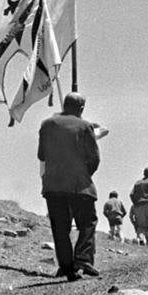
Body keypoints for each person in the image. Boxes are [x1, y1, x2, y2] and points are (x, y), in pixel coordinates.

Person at [38, 92, 101, 280]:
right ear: (81, 108)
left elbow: (42, 155)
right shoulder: (85, 126)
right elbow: (94, 158)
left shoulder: (47, 124)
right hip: (79, 185)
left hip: (53, 184)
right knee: (88, 222)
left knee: (60, 227)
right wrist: (84, 174)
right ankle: (82, 260)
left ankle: (66, 267)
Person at [129, 167, 148, 246]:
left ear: (144, 173)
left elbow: (131, 194)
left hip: (139, 205)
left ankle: (141, 239)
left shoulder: (137, 183)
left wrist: (135, 203)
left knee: (141, 227)